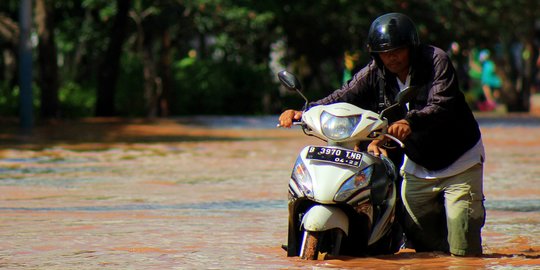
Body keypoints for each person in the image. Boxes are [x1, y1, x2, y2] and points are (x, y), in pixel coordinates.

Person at [278, 12, 486, 257]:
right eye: (384, 52)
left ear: (411, 47)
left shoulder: (436, 60)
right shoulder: (374, 72)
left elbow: (441, 104)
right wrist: (305, 112)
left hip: (458, 160)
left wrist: (409, 122)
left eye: (397, 50)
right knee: (421, 244)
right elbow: (344, 95)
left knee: (464, 248)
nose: (391, 57)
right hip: (418, 163)